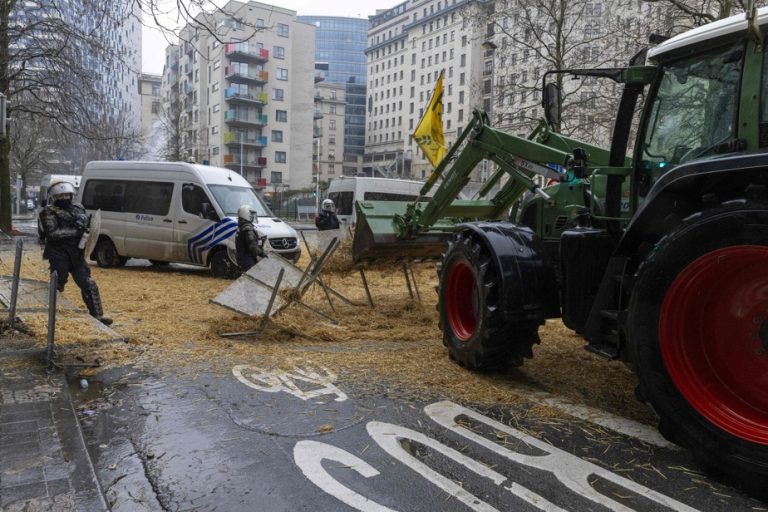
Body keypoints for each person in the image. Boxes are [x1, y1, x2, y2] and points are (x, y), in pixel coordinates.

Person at [39, 181, 112, 325]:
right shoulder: (48, 211)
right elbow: (52, 234)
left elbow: (88, 227)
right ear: (55, 197)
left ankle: (97, 316)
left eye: (67, 194)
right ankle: (48, 315)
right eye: (61, 195)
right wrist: (76, 231)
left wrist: (84, 223)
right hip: (58, 253)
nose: (65, 198)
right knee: (58, 284)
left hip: (77, 252)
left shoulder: (78, 208)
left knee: (88, 283)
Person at [235, 204, 266, 271]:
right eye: (251, 214)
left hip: (243, 259)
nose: (252, 216)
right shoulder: (247, 229)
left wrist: (260, 241)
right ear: (246, 214)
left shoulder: (242, 227)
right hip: (247, 259)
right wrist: (262, 254)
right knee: (253, 279)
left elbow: (248, 242)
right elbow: (252, 246)